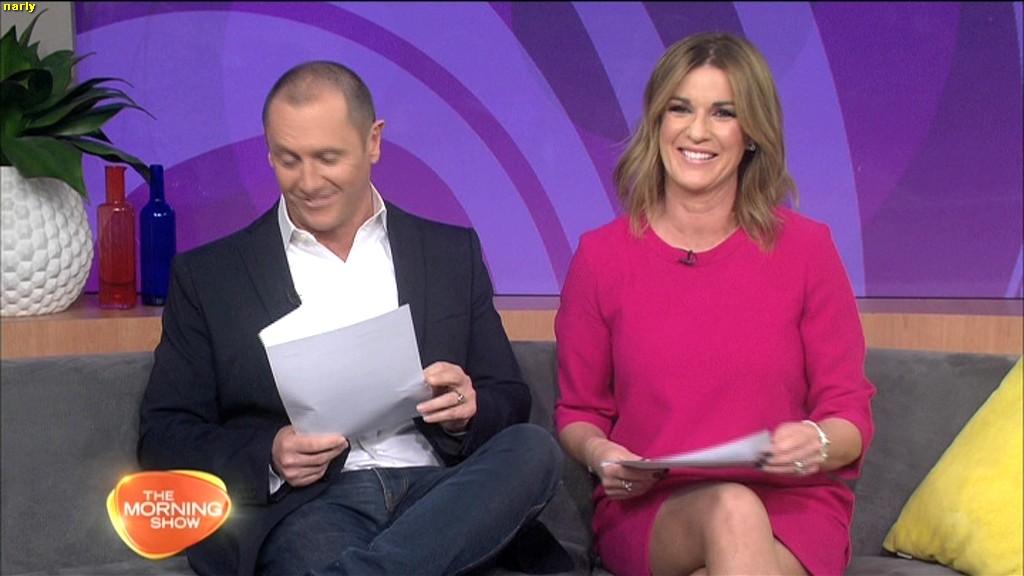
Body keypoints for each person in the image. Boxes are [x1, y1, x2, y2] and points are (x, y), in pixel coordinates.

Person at [138, 60, 570, 576]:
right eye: (288, 160)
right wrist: (270, 455)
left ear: (373, 142)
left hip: (443, 497)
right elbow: (164, 434)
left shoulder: (450, 253)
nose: (308, 181)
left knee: (533, 450)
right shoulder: (210, 276)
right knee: (321, 551)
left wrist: (466, 413)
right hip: (311, 507)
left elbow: (508, 396)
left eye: (327, 158)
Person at [554, 32, 875, 576]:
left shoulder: (807, 250)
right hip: (654, 511)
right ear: (657, 121)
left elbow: (849, 414)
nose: (697, 131)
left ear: (751, 134)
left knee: (733, 532)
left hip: (792, 508)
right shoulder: (601, 257)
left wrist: (817, 442)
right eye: (680, 109)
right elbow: (579, 412)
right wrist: (600, 454)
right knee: (731, 509)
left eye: (723, 113)